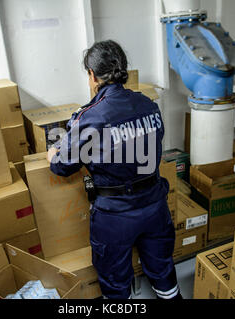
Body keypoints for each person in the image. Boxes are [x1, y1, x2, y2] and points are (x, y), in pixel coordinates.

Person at [46, 40, 181, 300]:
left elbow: (64, 167)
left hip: (115, 215)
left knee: (116, 286)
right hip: (154, 204)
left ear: (92, 75)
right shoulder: (148, 104)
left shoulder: (91, 116)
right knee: (163, 272)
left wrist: (53, 153)